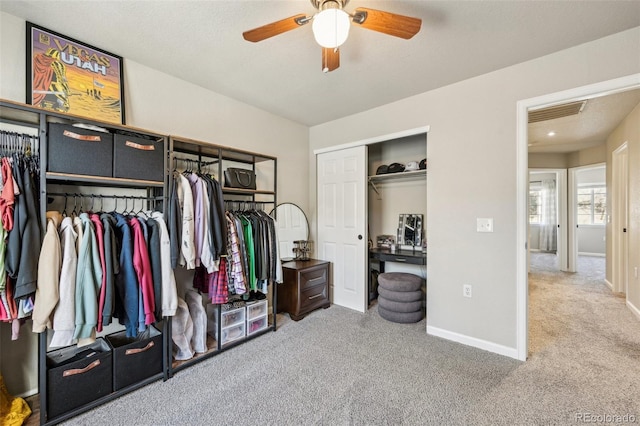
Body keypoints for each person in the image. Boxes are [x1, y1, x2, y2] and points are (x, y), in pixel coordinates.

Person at [32, 48, 70, 112]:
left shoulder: (36, 59)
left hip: (38, 89)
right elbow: (62, 79)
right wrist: (66, 90)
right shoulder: (57, 64)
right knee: (63, 104)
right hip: (53, 88)